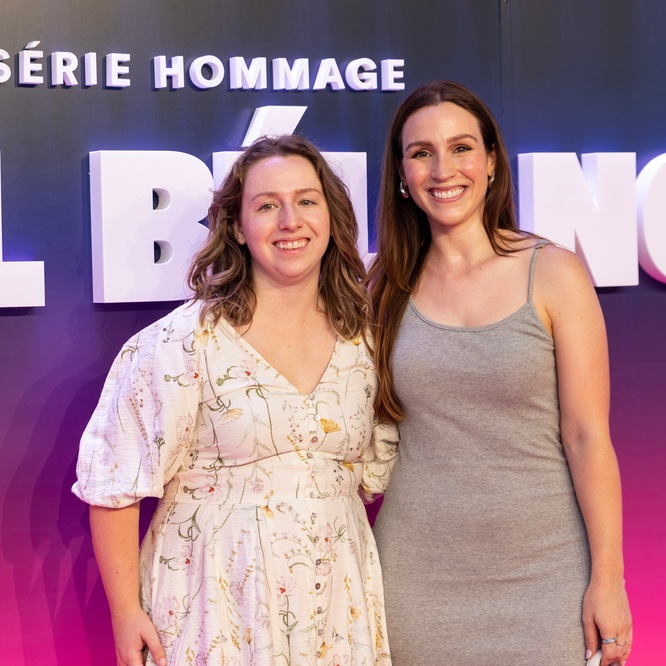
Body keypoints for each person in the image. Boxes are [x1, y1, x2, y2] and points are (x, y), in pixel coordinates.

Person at [73, 135, 398, 666]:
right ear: (239, 227)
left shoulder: (365, 340)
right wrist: (125, 611)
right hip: (213, 606)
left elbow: (374, 475)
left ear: (331, 217)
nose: (290, 221)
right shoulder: (182, 343)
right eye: (267, 206)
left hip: (337, 605)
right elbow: (115, 486)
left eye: (306, 200)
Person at [367, 81, 632, 666]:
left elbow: (588, 438)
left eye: (462, 148)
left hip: (549, 575)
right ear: (402, 175)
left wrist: (608, 579)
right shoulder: (379, 288)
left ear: (491, 162)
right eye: (421, 153)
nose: (443, 170)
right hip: (415, 581)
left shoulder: (555, 273)